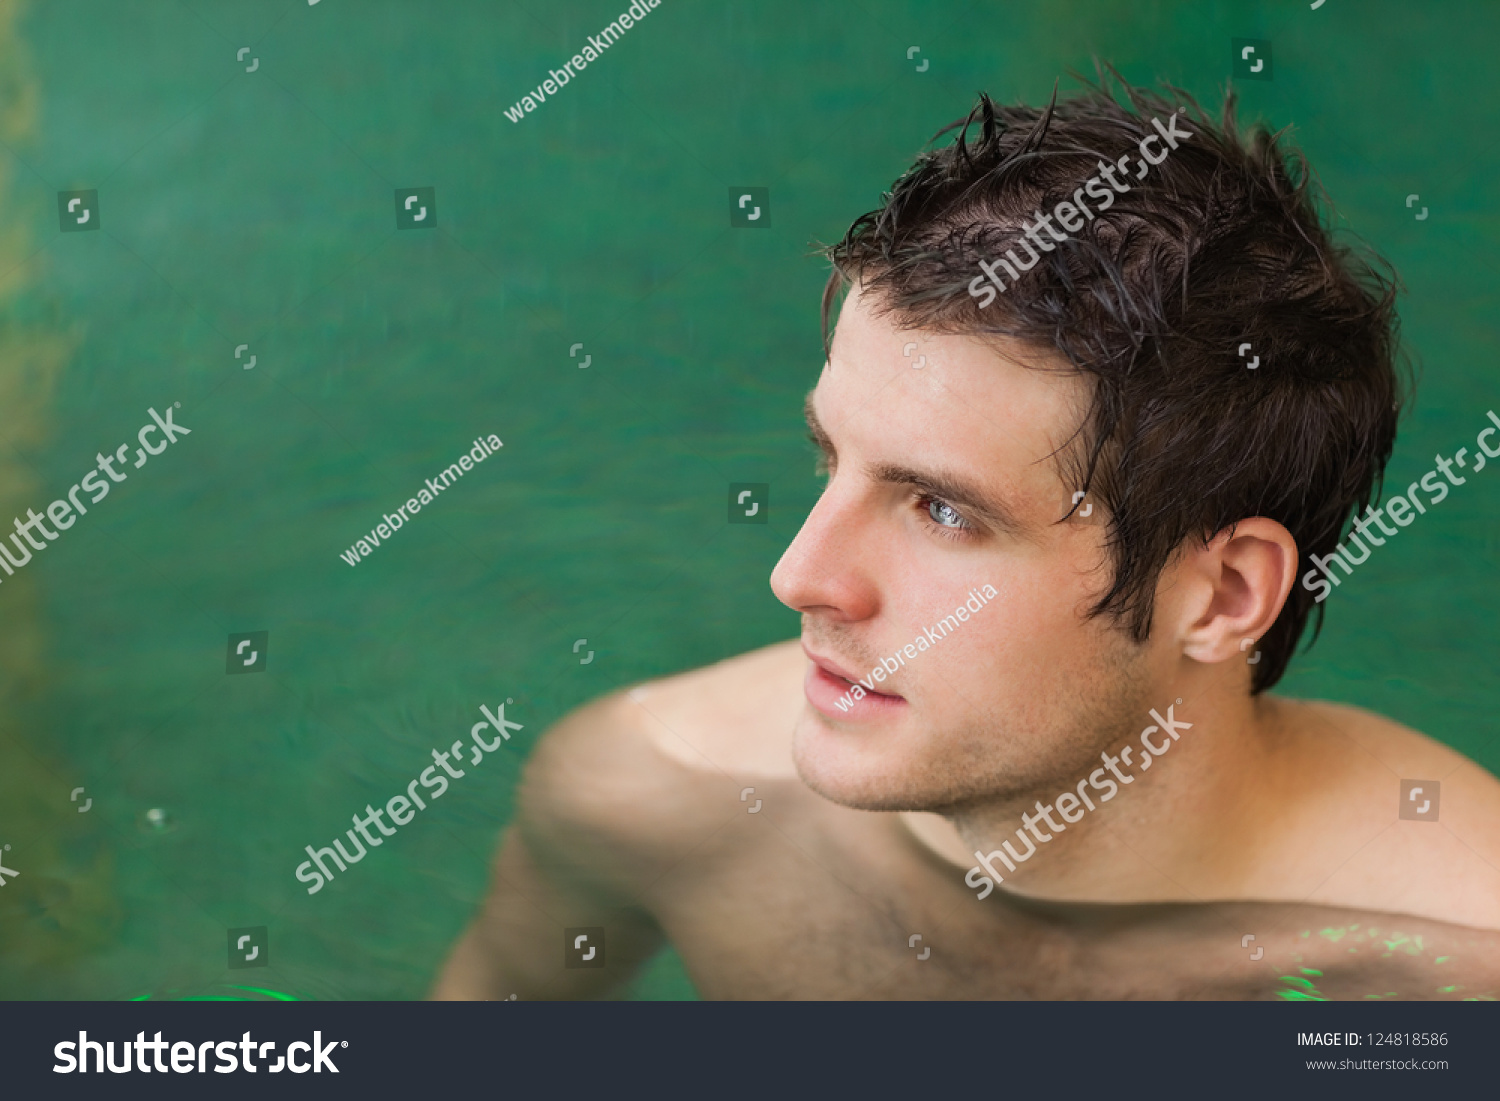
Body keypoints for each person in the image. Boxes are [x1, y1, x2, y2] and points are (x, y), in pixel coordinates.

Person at [433, 74, 1500, 1000]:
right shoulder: (652, 793)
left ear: (1222, 596)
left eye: (943, 511)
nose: (800, 576)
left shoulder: (1457, 958)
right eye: (829, 459)